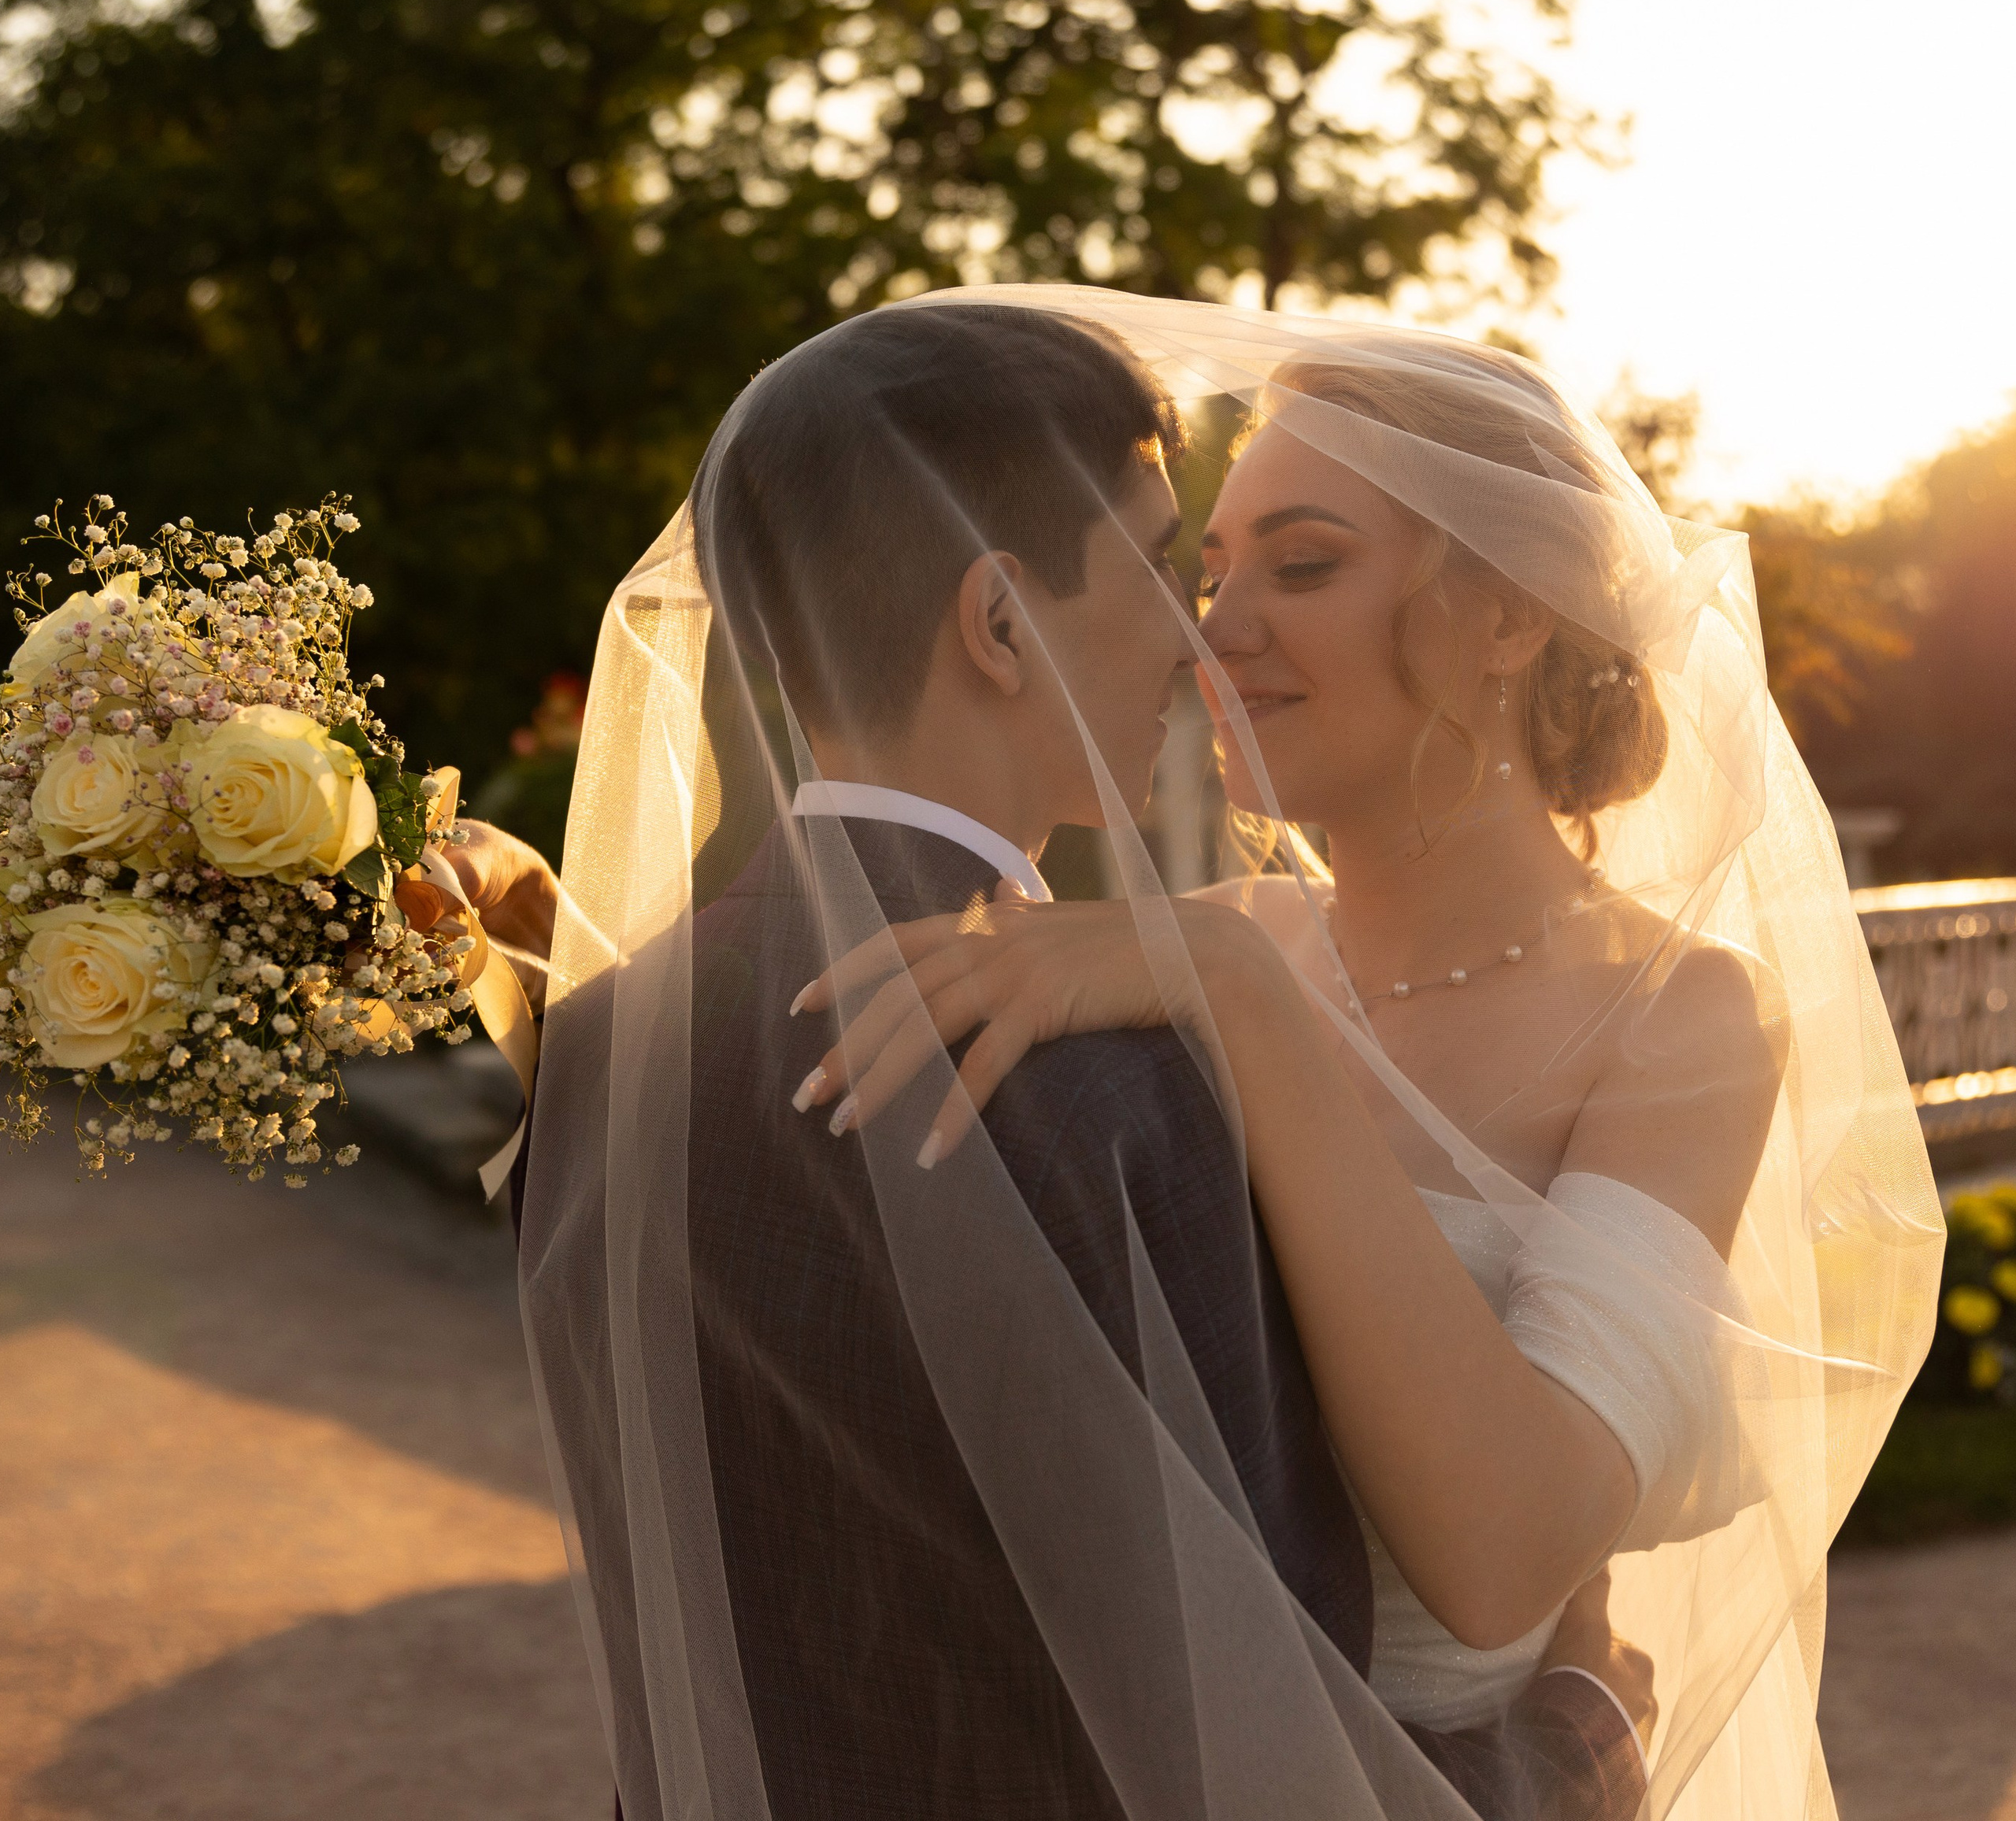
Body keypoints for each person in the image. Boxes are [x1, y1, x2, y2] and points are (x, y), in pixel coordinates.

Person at [456, 287, 1938, 1821]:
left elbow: (1492, 1543)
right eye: (1196, 563)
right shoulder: (1154, 976)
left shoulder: (1652, 1008)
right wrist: (1573, 1736)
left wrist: (622, 1022)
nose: (1212, 627)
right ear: (997, 617)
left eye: (1295, 564)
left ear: (1511, 610)